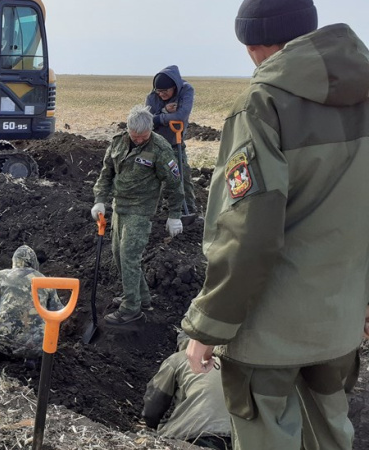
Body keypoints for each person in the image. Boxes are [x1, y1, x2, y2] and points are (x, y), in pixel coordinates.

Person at [181, 1, 369, 449]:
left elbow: (249, 231)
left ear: (253, 45)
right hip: (340, 320)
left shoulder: (262, 103)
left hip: (269, 332)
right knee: (329, 434)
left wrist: (208, 326)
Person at [91, 104, 184, 325]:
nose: (139, 140)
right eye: (135, 136)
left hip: (140, 210)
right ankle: (141, 298)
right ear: (129, 130)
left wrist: (175, 214)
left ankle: (131, 309)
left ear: (150, 130)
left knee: (129, 257)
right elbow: (106, 174)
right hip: (119, 207)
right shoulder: (117, 142)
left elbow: (173, 183)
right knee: (118, 256)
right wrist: (99, 201)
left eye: (143, 136)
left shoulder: (160, 149)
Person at [0, 245, 62, 360]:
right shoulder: (46, 282)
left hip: (5, 344)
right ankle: (31, 359)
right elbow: (58, 314)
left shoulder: (4, 275)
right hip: (40, 348)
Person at [142, 331, 231, 449]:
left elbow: (153, 406)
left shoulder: (178, 359)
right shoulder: (234, 362)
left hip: (196, 435)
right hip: (243, 438)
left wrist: (151, 425)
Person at [145, 65, 197, 217]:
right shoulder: (152, 97)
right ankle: (152, 212)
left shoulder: (186, 90)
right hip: (155, 144)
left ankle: (189, 210)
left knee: (183, 175)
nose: (161, 94)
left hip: (176, 143)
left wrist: (159, 119)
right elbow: (147, 121)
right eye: (158, 91)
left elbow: (181, 115)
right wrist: (164, 113)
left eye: (165, 91)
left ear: (174, 87)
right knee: (153, 178)